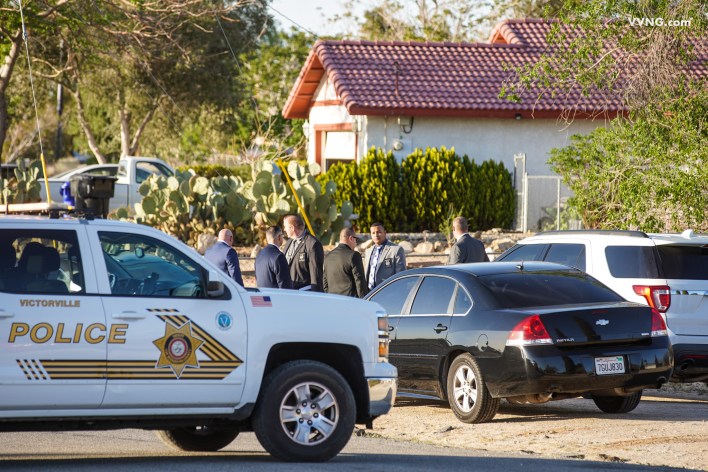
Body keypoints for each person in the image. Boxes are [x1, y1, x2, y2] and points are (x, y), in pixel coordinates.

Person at [282, 214, 324, 292]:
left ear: (292, 228)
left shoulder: (312, 244)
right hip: (289, 292)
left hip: (304, 293)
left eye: (285, 227)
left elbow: (316, 274)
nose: (284, 229)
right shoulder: (289, 242)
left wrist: (316, 295)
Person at [323, 228, 368, 298]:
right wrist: (364, 301)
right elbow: (360, 282)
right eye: (356, 239)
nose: (356, 243)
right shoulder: (354, 255)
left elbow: (325, 284)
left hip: (332, 301)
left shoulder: (328, 257)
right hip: (350, 302)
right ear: (351, 238)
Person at [364, 222, 406, 291]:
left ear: (385, 233)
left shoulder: (396, 250)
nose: (376, 235)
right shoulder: (368, 251)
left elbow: (401, 276)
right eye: (373, 233)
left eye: (379, 232)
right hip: (370, 293)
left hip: (388, 293)